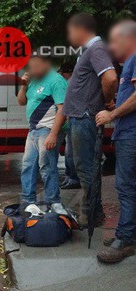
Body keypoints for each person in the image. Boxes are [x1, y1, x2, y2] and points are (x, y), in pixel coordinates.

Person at [63, 13, 119, 228]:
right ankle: (94, 214)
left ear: (81, 29)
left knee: (87, 169)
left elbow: (111, 77)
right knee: (86, 169)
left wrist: (106, 101)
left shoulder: (96, 49)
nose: (70, 35)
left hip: (85, 117)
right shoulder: (89, 51)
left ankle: (92, 217)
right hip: (80, 117)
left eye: (71, 31)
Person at [95, 20, 136, 263]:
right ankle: (128, 233)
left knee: (126, 187)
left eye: (114, 40)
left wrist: (112, 114)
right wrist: (115, 106)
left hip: (132, 135)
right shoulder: (128, 63)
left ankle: (125, 240)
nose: (112, 47)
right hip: (128, 133)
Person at [17, 56, 68, 209]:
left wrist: (53, 133)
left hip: (48, 129)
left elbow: (62, 108)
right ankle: (28, 201)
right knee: (28, 165)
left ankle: (54, 201)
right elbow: (21, 101)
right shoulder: (34, 81)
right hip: (33, 130)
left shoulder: (56, 80)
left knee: (46, 165)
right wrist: (24, 86)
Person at [58, 62, 82, 190]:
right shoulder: (73, 81)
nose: (61, 74)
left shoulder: (71, 82)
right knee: (70, 152)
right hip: (71, 119)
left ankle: (73, 178)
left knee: (71, 152)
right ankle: (70, 176)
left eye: (63, 72)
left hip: (72, 119)